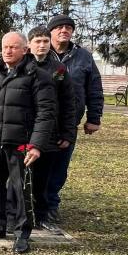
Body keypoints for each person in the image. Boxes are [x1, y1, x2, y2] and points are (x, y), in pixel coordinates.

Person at [0, 32, 56, 254]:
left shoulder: (38, 75)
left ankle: (21, 233)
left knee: (20, 190)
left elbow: (45, 114)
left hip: (21, 144)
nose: (8, 51)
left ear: (25, 50)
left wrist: (36, 145)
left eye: (14, 47)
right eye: (5, 47)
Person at [46, 14, 104, 223]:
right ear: (51, 31)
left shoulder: (83, 57)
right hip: (42, 122)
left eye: (68, 28)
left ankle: (51, 204)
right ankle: (33, 203)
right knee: (39, 165)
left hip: (69, 123)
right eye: (59, 27)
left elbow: (94, 88)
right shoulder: (41, 52)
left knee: (60, 166)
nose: (64, 30)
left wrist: (94, 117)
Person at [26, 26, 77, 230]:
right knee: (19, 177)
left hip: (50, 132)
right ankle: (19, 214)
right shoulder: (21, 65)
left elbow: (68, 102)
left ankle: (42, 215)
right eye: (37, 41)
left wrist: (67, 132)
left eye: (45, 41)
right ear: (29, 44)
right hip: (24, 131)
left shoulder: (58, 69)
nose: (42, 45)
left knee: (44, 178)